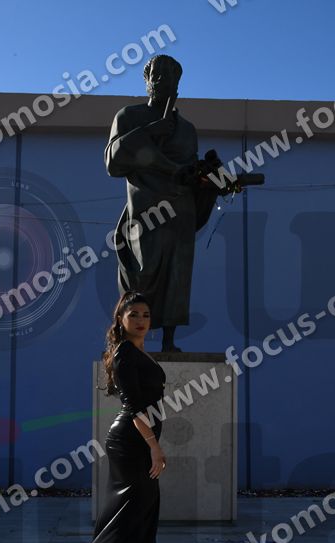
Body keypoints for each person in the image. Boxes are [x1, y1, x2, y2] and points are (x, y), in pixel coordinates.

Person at [48, 291, 188, 543]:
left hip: (138, 442)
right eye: (133, 314)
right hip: (131, 443)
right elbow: (135, 407)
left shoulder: (138, 352)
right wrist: (154, 446)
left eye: (145, 314)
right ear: (121, 320)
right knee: (124, 522)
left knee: (142, 520)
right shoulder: (124, 353)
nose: (141, 320)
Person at [104, 54, 220, 352]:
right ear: (146, 81)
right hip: (146, 211)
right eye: (155, 76)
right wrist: (149, 131)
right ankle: (130, 338)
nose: (161, 82)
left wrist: (210, 180)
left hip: (180, 210)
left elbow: (191, 171)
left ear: (177, 83)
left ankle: (170, 340)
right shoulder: (128, 117)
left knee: (177, 274)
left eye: (168, 77)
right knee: (142, 272)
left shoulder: (187, 129)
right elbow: (113, 161)